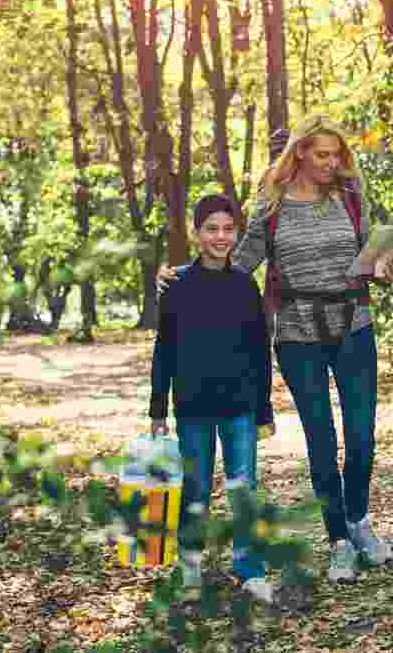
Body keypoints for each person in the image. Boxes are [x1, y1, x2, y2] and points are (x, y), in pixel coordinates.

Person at [166, 114, 393, 583]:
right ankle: (337, 540)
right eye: (321, 155)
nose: (331, 163)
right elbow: (241, 259)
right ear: (299, 153)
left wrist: (384, 264)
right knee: (320, 439)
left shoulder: (351, 195)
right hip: (297, 335)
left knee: (361, 437)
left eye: (336, 155)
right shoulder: (271, 205)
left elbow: (367, 254)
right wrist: (183, 277)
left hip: (354, 325)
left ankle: (358, 520)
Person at [149, 194, 277, 605]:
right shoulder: (176, 284)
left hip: (239, 404)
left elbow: (260, 349)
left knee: (244, 487)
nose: (220, 237)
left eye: (227, 229)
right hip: (192, 407)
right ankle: (190, 564)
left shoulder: (244, 283)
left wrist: (264, 409)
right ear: (197, 232)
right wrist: (157, 408)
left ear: (236, 233)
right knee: (196, 487)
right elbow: (164, 349)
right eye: (211, 229)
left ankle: (249, 566)